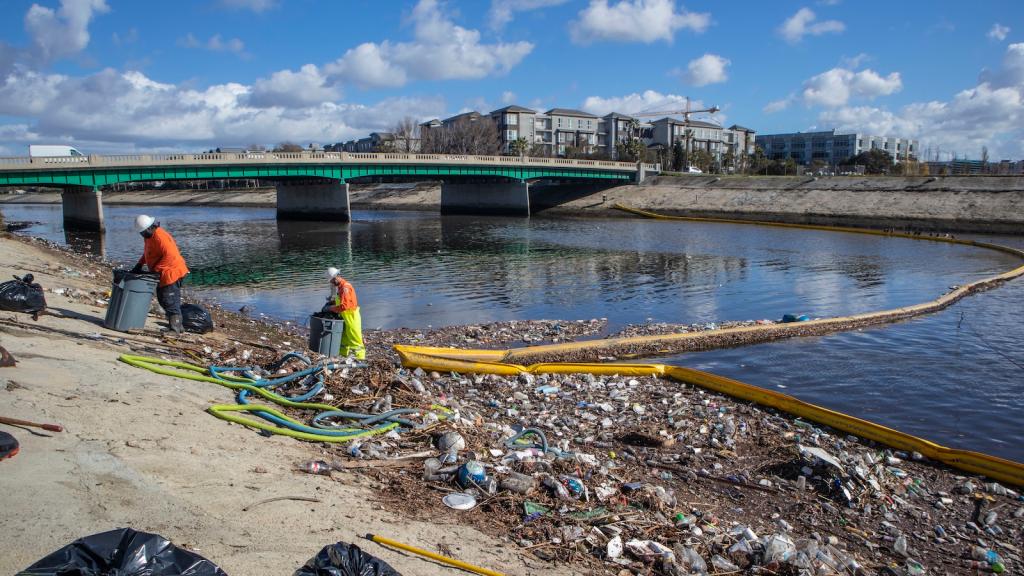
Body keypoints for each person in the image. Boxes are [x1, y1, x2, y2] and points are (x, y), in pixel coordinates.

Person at [131, 215, 189, 334]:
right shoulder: (149, 236)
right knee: (163, 299)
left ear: (150, 228)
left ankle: (175, 328)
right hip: (163, 272)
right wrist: (139, 264)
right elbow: (149, 252)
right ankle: (177, 325)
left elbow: (170, 256)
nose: (142, 235)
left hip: (171, 272)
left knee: (170, 300)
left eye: (143, 232)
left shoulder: (160, 238)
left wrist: (156, 270)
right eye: (141, 233)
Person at [325, 267, 365, 359]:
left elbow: (345, 306)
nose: (331, 283)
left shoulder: (345, 287)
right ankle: (343, 356)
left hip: (351, 316)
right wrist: (333, 302)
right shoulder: (340, 287)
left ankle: (360, 360)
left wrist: (331, 308)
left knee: (355, 340)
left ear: (336, 277)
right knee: (344, 338)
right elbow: (342, 302)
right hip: (345, 316)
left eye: (331, 280)